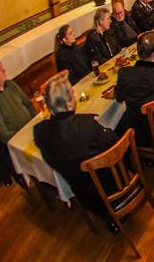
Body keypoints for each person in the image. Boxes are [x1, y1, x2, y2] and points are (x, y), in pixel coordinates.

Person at [33, 75, 119, 229]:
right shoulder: (86, 125)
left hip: (82, 193)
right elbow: (114, 145)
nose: (75, 98)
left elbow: (52, 162)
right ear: (68, 105)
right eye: (73, 96)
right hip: (112, 185)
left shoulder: (39, 132)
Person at [0, 57, 37, 144]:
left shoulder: (10, 84)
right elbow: (3, 133)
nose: (4, 70)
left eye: (2, 68)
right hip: (18, 139)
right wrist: (23, 134)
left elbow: (28, 103)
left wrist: (34, 120)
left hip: (31, 127)